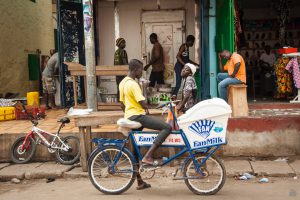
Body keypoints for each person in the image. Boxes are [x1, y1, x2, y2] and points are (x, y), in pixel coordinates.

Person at [120, 59, 172, 167]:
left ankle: (139, 181)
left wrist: (129, 114)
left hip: (130, 116)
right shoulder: (133, 84)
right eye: (141, 70)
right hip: (138, 116)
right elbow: (143, 104)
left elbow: (122, 104)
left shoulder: (122, 82)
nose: (142, 73)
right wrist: (159, 106)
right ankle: (148, 156)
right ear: (135, 70)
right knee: (167, 127)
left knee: (135, 149)